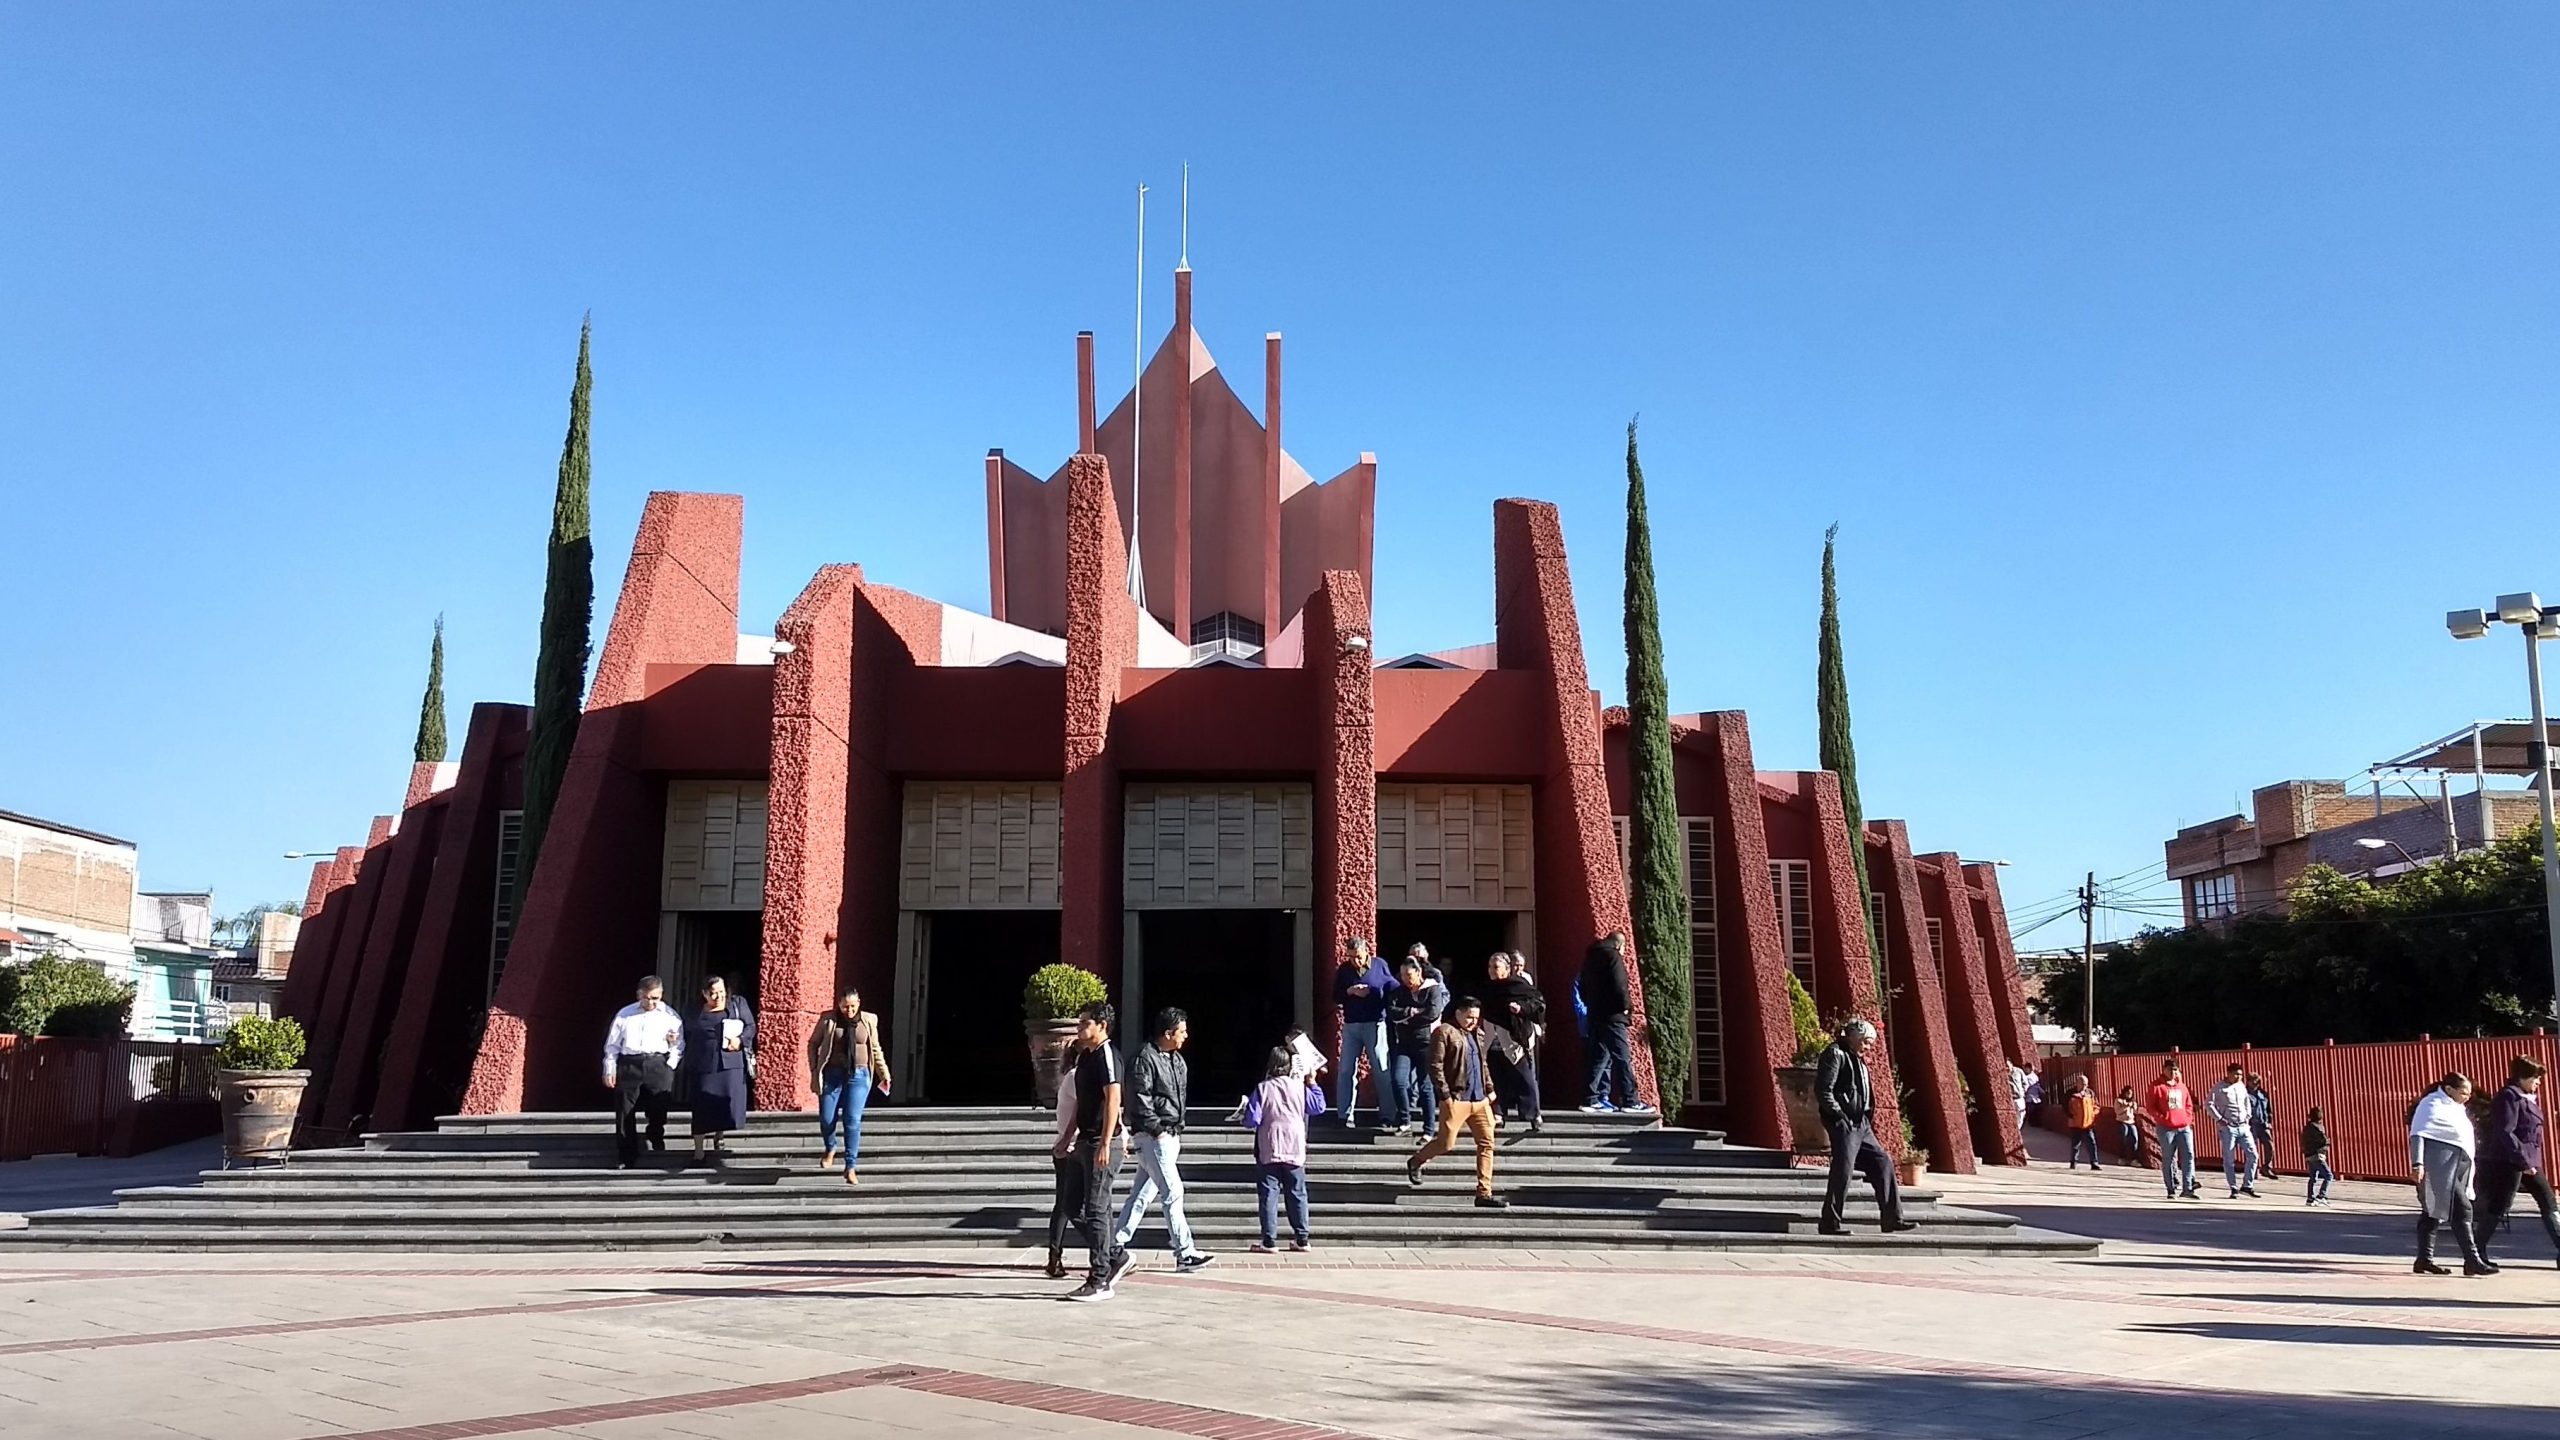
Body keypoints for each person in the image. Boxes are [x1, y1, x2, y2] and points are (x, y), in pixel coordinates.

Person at [1114, 1007, 1213, 1272]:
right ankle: (1185, 1251)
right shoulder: (1144, 1059)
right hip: (1153, 1136)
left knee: (1141, 1194)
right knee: (1173, 1191)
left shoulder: (1176, 1060)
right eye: (1181, 1031)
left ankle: (1114, 1245)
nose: (1185, 1036)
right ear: (1168, 1033)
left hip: (1170, 1134)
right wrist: (1156, 1129)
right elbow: (1139, 1098)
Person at [1814, 1018, 1917, 1236]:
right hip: (1845, 1122)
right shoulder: (1835, 1054)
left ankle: (1892, 1219)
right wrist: (1839, 1115)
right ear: (1854, 1037)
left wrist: (1866, 1118)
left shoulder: (1857, 1058)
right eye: (1866, 1042)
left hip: (1862, 1123)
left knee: (1883, 1162)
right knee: (1843, 1170)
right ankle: (1830, 1223)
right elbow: (1824, 1090)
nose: (1868, 1047)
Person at [1062, 1002, 1135, 1302]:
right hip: (1084, 1141)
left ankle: (1100, 1279)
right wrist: (1067, 1135)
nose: (1079, 1028)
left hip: (1102, 1143)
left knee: (1096, 1209)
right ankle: (1115, 1255)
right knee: (1072, 1206)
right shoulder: (1085, 1056)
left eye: (1084, 1023)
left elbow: (1113, 1098)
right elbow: (1081, 1101)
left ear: (1102, 1025)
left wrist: (1107, 1143)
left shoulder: (1107, 1055)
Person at [1407, 997, 1506, 1207]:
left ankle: (1484, 1193)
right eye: (1469, 1017)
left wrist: (1490, 1089)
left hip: (1480, 1099)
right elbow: (1435, 1065)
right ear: (1459, 1013)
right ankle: (1417, 1160)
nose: (1473, 1021)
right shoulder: (1444, 1031)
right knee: (1446, 1143)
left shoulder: (1477, 1033)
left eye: (1476, 1018)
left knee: (1487, 1143)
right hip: (1457, 1098)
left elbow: (1482, 1063)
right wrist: (1445, 1095)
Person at [2473, 1055, 2560, 1269]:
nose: (2538, 1083)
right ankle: (2475, 1251)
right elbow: (2505, 1132)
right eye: (2535, 1078)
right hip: (2509, 1160)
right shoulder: (2509, 1097)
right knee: (2501, 1205)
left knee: (2548, 1201)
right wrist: (2522, 1160)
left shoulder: (2526, 1096)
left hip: (2530, 1159)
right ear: (2522, 1077)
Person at [1242, 1042, 1329, 1251]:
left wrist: (1244, 1112)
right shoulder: (1299, 1087)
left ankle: (1269, 1240)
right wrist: (1313, 1082)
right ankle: (1302, 1238)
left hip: (1269, 1146)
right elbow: (1318, 1107)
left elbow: (1252, 1120)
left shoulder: (1263, 1088)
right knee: (1297, 1192)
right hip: (1295, 1147)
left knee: (1269, 1194)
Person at [2409, 1071, 2492, 1276]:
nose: (2467, 1097)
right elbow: (2418, 1134)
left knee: (2432, 1212)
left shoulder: (2455, 1108)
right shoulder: (2430, 1105)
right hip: (2440, 1167)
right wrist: (2417, 1163)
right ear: (2449, 1090)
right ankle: (2472, 1260)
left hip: (2459, 1165)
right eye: (2464, 1092)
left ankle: (2424, 1260)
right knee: (2463, 1209)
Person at [804, 987, 889, 1184]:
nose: (848, 1010)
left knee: (852, 1119)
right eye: (844, 1007)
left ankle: (850, 1166)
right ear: (839, 1005)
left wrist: (884, 1073)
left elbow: (875, 1049)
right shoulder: (828, 1019)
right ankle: (831, 1146)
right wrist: (815, 1068)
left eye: (852, 1006)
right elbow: (813, 1043)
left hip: (859, 1075)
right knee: (827, 1118)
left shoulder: (869, 1020)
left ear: (859, 1003)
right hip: (833, 1074)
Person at [602, 975, 683, 1169]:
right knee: (625, 1110)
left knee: (659, 1104)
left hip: (657, 1063)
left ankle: (655, 1133)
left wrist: (670, 1065)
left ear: (661, 995)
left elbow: (679, 1043)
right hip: (630, 1063)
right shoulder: (625, 1014)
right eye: (647, 998)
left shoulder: (669, 1015)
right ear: (639, 995)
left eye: (655, 998)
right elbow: (612, 1045)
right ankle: (626, 1154)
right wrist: (609, 1068)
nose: (651, 1002)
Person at [679, 974, 754, 1165]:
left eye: (721, 992)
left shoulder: (737, 1004)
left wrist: (741, 1040)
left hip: (730, 1063)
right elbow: (684, 1031)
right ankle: (698, 1152)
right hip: (703, 1064)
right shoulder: (693, 1010)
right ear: (704, 993)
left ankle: (719, 1136)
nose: (718, 997)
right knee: (702, 1106)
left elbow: (751, 1027)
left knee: (724, 1104)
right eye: (713, 993)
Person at [1578, 933, 1652, 1115]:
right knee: (1622, 1057)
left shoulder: (1590, 958)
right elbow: (1620, 984)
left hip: (1596, 1015)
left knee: (1598, 1057)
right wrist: (1626, 1007)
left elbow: (1583, 987)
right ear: (1620, 945)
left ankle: (1590, 1099)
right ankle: (1630, 1100)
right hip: (1613, 1016)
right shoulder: (1613, 956)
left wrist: (1592, 1005)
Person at [1044, 1025, 1095, 1280]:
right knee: (1072, 1206)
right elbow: (1081, 1113)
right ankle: (1103, 1253)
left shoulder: (1070, 1076)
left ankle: (1055, 1257)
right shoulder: (1076, 1077)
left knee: (1065, 1205)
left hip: (1068, 1146)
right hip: (1072, 1148)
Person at [1330, 937, 1394, 1127]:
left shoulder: (1379, 965)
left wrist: (1372, 991)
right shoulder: (1344, 969)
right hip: (1351, 1025)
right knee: (1346, 1069)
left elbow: (1391, 987)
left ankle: (1387, 1115)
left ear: (1366, 951)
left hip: (1375, 1023)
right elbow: (1336, 996)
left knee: (1381, 1068)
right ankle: (1345, 1115)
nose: (1354, 961)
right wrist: (1350, 991)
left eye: (1357, 957)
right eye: (1350, 957)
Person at [1482, 952, 1547, 1133]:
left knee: (1524, 1079)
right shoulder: (1487, 989)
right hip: (1492, 1040)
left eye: (1496, 967)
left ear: (1506, 969)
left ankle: (1534, 1115)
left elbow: (1538, 1004)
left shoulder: (1518, 986)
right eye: (1490, 967)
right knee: (1495, 1080)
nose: (1492, 971)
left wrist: (1521, 1009)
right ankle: (1498, 1114)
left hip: (1514, 1040)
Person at [1383, 957, 1446, 1136]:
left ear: (1418, 973)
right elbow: (1392, 1012)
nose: (1405, 978)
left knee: (1425, 1086)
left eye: (1408, 974)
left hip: (1426, 1043)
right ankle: (1404, 1121)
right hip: (1404, 1044)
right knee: (1398, 1080)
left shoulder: (1432, 989)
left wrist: (1407, 1018)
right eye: (1402, 974)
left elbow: (1433, 1013)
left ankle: (1429, 1129)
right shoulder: (1399, 991)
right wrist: (1411, 1012)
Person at [2143, 1059, 2199, 1200]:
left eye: (2175, 1070)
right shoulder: (2156, 1086)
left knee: (2188, 1155)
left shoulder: (2182, 1087)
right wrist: (2162, 1117)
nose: (2172, 1072)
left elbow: (2188, 1104)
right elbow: (2151, 1106)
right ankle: (2171, 1188)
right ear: (2163, 1070)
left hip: (2183, 1127)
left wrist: (2188, 1118)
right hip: (2166, 1128)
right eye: (2169, 1069)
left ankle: (2188, 1188)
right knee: (2168, 1158)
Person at [2206, 1061, 2261, 1198]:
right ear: (2229, 1073)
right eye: (2236, 1074)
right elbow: (2209, 1104)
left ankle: (2247, 1185)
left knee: (2253, 1155)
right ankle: (2233, 1187)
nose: (2238, 1077)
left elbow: (2246, 1101)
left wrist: (2248, 1115)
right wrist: (2219, 1118)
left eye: (2240, 1074)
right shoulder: (2219, 1087)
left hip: (2243, 1125)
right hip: (2228, 1128)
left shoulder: (2241, 1086)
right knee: (2229, 1159)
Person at [2062, 1074, 2101, 1170]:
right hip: (2076, 1123)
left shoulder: (2090, 1093)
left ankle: (2094, 1162)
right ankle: (2073, 1162)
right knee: (2075, 1144)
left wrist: (2093, 1114)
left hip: (2088, 1123)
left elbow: (2096, 1106)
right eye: (2082, 1083)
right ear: (2077, 1083)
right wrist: (2071, 1116)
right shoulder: (2070, 1093)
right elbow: (2065, 1107)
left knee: (2092, 1144)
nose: (2084, 1086)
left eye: (2086, 1084)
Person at [2301, 1105, 2334, 1207]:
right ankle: (2321, 1196)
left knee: (2313, 1177)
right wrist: (2328, 1142)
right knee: (2329, 1176)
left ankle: (2310, 1198)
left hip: (2309, 1155)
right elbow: (2324, 1140)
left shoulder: (2307, 1127)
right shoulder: (2318, 1127)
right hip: (2318, 1154)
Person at [2247, 1072, 2279, 1178]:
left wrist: (2269, 1121)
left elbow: (2268, 1109)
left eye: (2257, 1081)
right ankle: (2254, 1170)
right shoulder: (2245, 1094)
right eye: (2253, 1081)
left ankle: (2267, 1168)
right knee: (2252, 1148)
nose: (2256, 1084)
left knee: (2270, 1146)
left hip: (2263, 1124)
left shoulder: (2263, 1093)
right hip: (2251, 1124)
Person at [2113, 1085, 2145, 1168]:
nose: (2129, 1095)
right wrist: (2126, 1106)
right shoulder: (2118, 1100)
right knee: (2123, 1138)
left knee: (2135, 1139)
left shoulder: (2132, 1101)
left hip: (2131, 1122)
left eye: (2131, 1093)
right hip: (2122, 1121)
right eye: (2128, 1093)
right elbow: (2118, 1111)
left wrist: (2134, 1106)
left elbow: (2136, 1111)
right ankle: (2122, 1157)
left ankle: (2133, 1158)